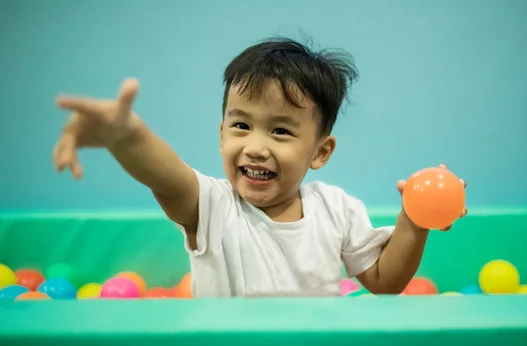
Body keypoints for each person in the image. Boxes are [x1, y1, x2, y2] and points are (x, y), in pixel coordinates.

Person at [52, 37, 466, 297]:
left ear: (320, 152)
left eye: (281, 131)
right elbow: (165, 175)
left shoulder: (336, 209)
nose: (255, 146)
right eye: (241, 125)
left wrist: (414, 221)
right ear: (221, 135)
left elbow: (384, 282)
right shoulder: (213, 206)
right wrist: (127, 137)